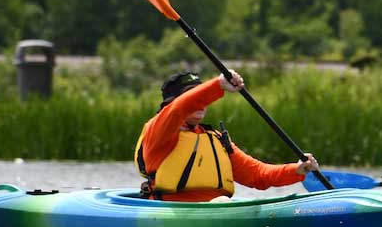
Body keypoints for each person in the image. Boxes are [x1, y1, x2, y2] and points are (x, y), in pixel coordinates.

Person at [134, 70, 320, 201]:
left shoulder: (216, 138)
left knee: (222, 203)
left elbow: (258, 175)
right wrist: (218, 85)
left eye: (201, 98)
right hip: (173, 210)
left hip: (217, 208)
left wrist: (295, 170)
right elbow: (178, 109)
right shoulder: (159, 130)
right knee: (222, 204)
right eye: (194, 98)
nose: (201, 103)